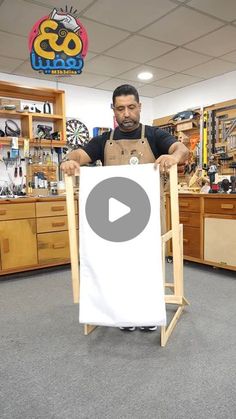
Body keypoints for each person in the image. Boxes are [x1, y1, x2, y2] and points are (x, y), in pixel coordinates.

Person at [61, 84, 189, 332]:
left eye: (131, 107)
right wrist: (69, 160)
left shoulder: (154, 135)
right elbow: (78, 154)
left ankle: (149, 313)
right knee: (116, 264)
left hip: (149, 214)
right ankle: (121, 312)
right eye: (121, 109)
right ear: (113, 110)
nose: (126, 114)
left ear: (139, 107)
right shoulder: (103, 141)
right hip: (113, 217)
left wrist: (173, 157)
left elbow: (180, 148)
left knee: (149, 263)